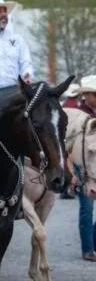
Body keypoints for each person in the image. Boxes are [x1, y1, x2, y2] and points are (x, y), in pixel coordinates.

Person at [73, 75, 96, 261]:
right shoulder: (78, 114)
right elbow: (69, 145)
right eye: (91, 94)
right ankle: (88, 249)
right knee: (87, 208)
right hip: (83, 166)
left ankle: (93, 242)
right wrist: (73, 172)